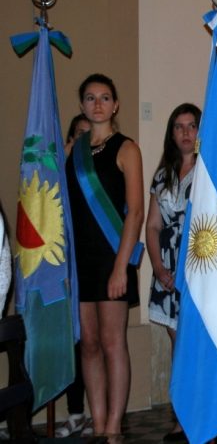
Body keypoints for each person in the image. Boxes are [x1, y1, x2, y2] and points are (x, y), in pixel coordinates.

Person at [65, 73, 144, 442]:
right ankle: (97, 425)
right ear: (82, 105)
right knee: (90, 344)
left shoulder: (127, 149)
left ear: (116, 105)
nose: (97, 104)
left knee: (113, 344)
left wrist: (121, 267)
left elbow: (136, 213)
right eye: (90, 98)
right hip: (80, 261)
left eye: (105, 97)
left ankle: (113, 427)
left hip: (113, 259)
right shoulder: (72, 152)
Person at [144, 103, 201, 442]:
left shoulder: (209, 170)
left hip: (197, 266)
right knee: (177, 347)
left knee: (193, 347)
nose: (185, 132)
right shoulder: (162, 174)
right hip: (165, 265)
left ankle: (197, 417)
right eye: (179, 127)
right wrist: (158, 266)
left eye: (192, 126)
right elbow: (152, 225)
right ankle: (182, 417)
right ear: (171, 133)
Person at [55, 113, 93, 439]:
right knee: (73, 342)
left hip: (96, 263)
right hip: (66, 264)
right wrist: (63, 158)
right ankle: (76, 411)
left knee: (96, 342)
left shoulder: (100, 170)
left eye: (88, 134)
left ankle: (98, 414)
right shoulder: (63, 166)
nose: (83, 140)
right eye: (78, 134)